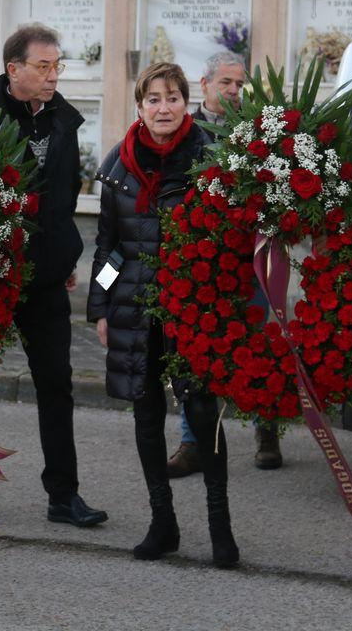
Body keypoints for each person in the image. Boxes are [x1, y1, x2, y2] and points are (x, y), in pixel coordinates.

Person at [0, 23, 107, 529]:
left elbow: (61, 202)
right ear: (14, 69)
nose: (53, 75)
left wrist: (65, 258)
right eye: (43, 66)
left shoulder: (63, 122)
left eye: (58, 65)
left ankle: (64, 494)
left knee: (57, 385)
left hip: (46, 279)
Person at [88, 62, 239, 567]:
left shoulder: (209, 158)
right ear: (140, 106)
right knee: (146, 416)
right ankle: (163, 523)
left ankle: (220, 527)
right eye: (153, 99)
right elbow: (109, 247)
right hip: (135, 310)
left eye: (172, 97)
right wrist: (101, 307)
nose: (163, 108)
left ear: (185, 102)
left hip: (192, 309)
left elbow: (231, 241)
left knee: (201, 413)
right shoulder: (118, 164)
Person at [167, 51, 284, 476]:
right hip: (199, 264)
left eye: (240, 84)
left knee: (256, 342)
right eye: (226, 83)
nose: (234, 91)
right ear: (204, 85)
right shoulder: (181, 130)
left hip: (248, 258)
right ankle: (193, 440)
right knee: (196, 349)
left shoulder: (256, 131)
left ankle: (265, 428)